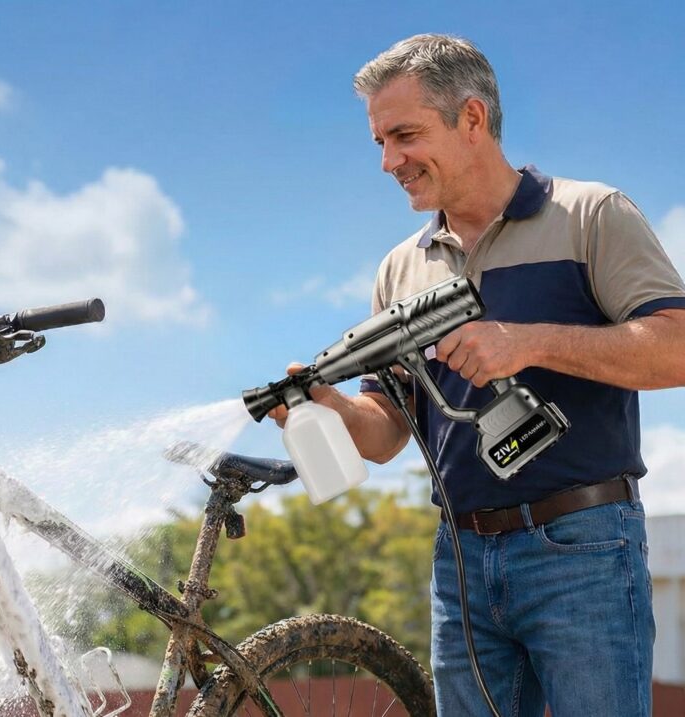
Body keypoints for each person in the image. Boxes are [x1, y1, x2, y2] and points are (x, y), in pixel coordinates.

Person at [270, 34, 685, 716]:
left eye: (404, 135)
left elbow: (676, 347)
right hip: (459, 562)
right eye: (379, 141)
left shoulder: (591, 216)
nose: (388, 161)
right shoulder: (400, 269)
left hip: (582, 548)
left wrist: (527, 343)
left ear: (472, 119)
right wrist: (333, 409)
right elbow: (385, 433)